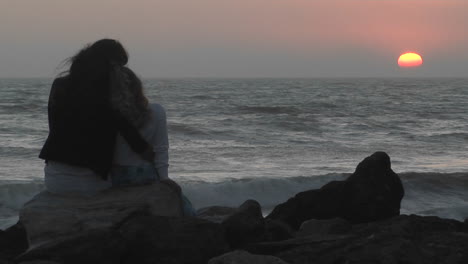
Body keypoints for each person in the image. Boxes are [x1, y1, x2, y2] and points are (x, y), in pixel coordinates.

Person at [39, 39, 154, 196]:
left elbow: (53, 127)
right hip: (89, 185)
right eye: (120, 66)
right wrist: (152, 158)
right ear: (112, 65)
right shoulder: (109, 92)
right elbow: (132, 138)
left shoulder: (59, 85)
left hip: (54, 180)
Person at [109, 67, 196, 216]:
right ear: (137, 87)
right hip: (145, 174)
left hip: (116, 177)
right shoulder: (156, 111)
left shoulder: (107, 114)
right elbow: (162, 148)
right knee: (185, 210)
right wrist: (164, 177)